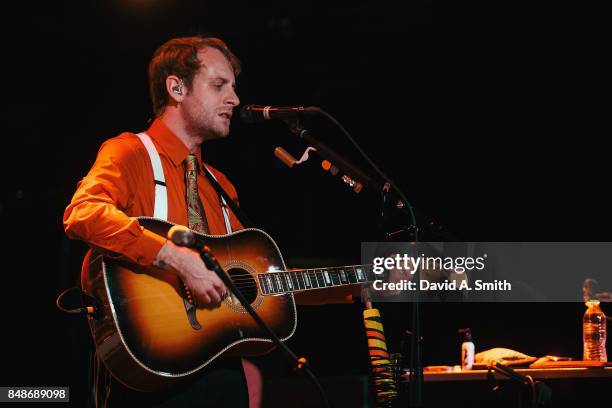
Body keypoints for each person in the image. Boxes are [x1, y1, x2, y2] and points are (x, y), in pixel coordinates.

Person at [63, 35, 360, 407]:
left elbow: (255, 283)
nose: (234, 99)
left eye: (233, 87)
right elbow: (83, 213)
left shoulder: (220, 185)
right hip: (149, 370)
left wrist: (359, 282)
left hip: (220, 375)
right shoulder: (130, 152)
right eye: (219, 85)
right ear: (177, 87)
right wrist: (173, 257)